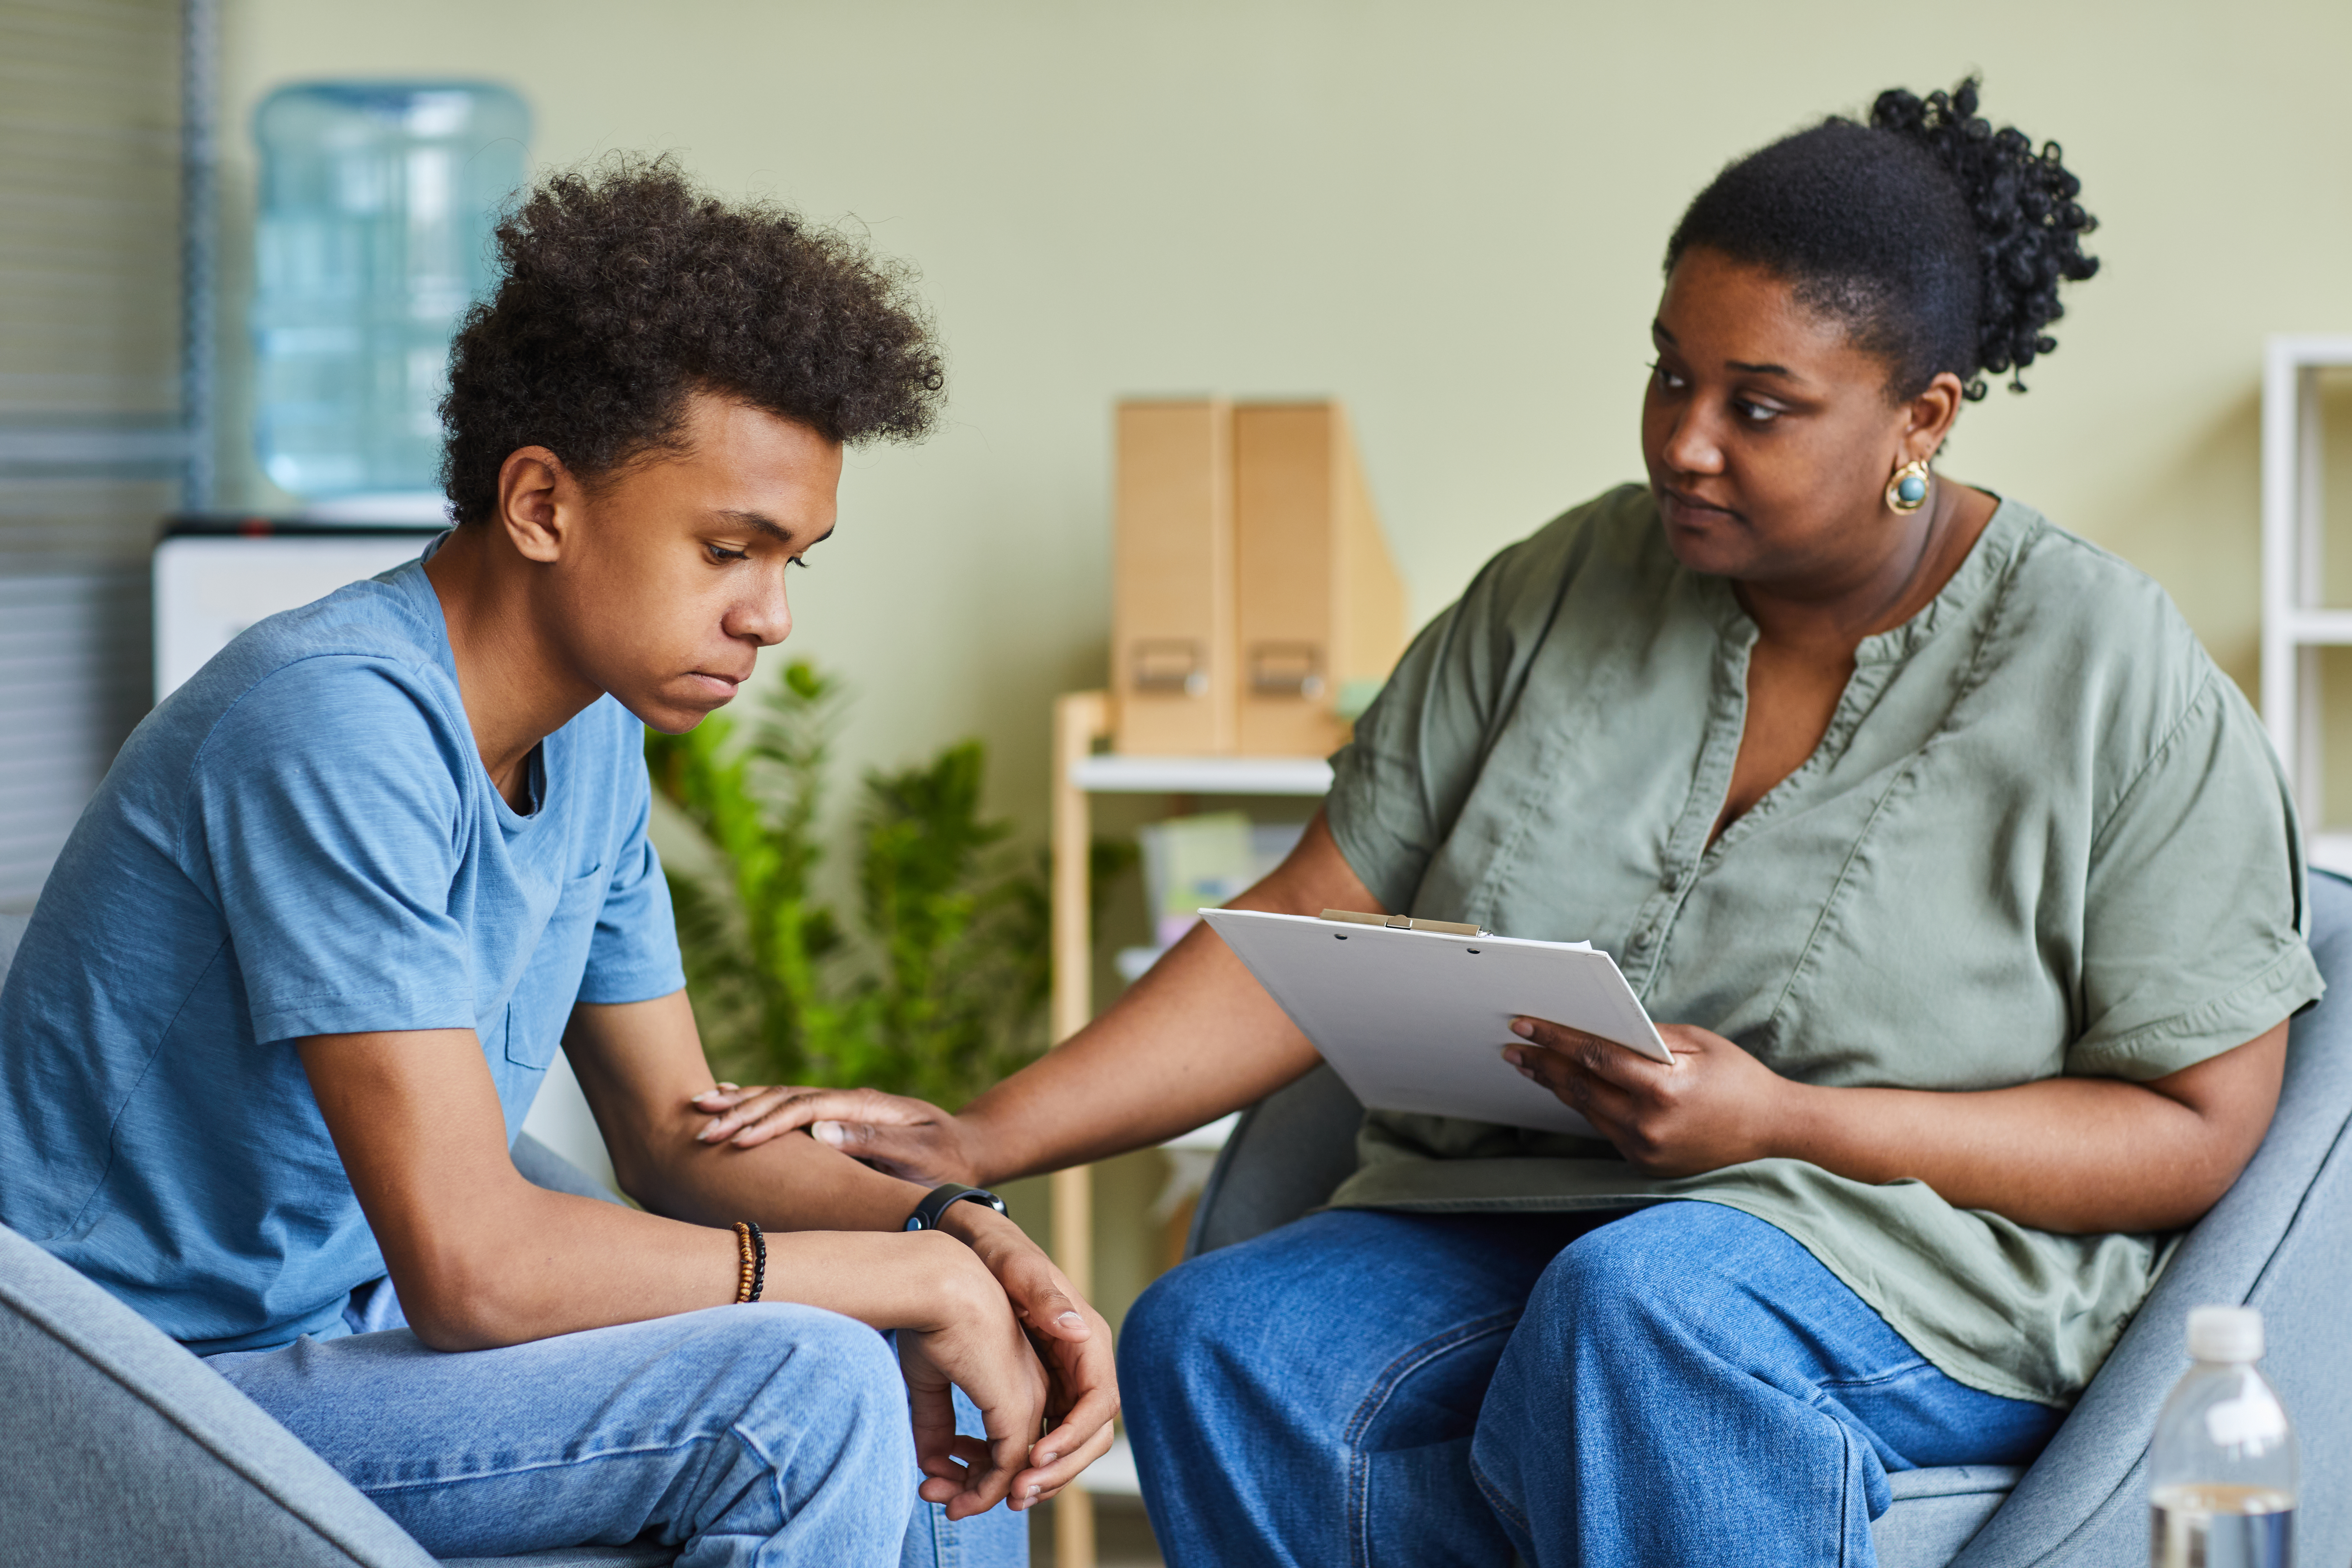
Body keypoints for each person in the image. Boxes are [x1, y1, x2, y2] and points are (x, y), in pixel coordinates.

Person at [692, 81, 2321, 1567]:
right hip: (1531, 1218)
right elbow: (1312, 918)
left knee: (1647, 1309)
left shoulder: (2112, 672)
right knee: (1218, 1334)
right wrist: (987, 1138)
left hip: (1914, 1265)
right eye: (1669, 373)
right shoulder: (1560, 586)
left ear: (1924, 418)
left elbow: (2198, 1122)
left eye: (1761, 406)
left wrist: (1793, 1124)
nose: (1684, 440)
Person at [0, 159, 1116, 1567]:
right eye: (729, 549)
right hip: (125, 1393)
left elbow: (673, 1135)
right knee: (811, 1389)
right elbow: (474, 1268)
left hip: (339, 1345)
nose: (770, 617)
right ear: (541, 504)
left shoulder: (585, 743)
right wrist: (895, 1276)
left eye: (795, 564)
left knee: (912, 1380)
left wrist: (964, 1237)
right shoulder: (333, 723)